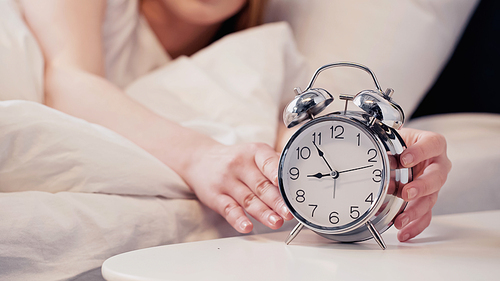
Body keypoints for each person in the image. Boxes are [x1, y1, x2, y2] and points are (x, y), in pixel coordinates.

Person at [19, 0, 451, 242]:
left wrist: (387, 157)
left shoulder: (254, 59)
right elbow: (68, 80)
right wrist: (198, 156)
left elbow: (294, 154)